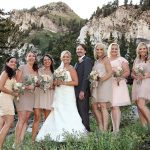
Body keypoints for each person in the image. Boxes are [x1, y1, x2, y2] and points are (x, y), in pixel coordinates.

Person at [36, 50, 86, 142]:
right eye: (64, 56)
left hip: (68, 94)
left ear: (70, 59)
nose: (65, 58)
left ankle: (72, 134)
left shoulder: (71, 69)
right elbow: (54, 82)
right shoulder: (58, 69)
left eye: (67, 57)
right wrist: (55, 83)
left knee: (69, 111)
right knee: (57, 111)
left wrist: (63, 82)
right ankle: (55, 134)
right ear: (61, 58)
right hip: (58, 94)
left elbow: (76, 82)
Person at [14, 51, 38, 148]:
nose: (31, 57)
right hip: (22, 95)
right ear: (26, 58)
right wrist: (28, 87)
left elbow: (36, 84)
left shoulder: (36, 70)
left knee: (26, 119)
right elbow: (17, 82)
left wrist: (35, 85)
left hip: (31, 96)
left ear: (35, 58)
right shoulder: (21, 68)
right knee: (21, 119)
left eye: (33, 56)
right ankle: (16, 143)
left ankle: (21, 141)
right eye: (29, 56)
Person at [107, 43, 131, 132]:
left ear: (118, 50)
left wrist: (120, 77)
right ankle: (114, 129)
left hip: (118, 84)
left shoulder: (122, 60)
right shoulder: (106, 60)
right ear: (109, 49)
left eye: (116, 49)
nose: (114, 50)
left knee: (116, 106)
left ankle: (116, 130)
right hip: (109, 84)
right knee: (112, 107)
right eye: (112, 48)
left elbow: (127, 72)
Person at [32, 54, 54, 142]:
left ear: (51, 61)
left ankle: (44, 139)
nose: (47, 61)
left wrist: (53, 86)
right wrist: (40, 83)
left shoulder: (54, 72)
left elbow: (56, 84)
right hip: (39, 94)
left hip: (49, 95)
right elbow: (35, 82)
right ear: (43, 62)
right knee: (37, 117)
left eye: (48, 59)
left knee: (47, 118)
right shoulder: (39, 70)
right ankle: (33, 140)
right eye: (45, 60)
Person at [91, 43, 112, 131]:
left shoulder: (106, 59)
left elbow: (110, 72)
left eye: (101, 49)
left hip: (104, 84)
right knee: (95, 107)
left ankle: (105, 129)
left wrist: (101, 79)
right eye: (97, 49)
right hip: (96, 85)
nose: (99, 51)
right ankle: (100, 126)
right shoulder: (97, 61)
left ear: (104, 50)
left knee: (103, 106)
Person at [0, 57, 18, 149]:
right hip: (5, 99)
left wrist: (17, 91)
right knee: (8, 123)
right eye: (11, 61)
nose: (14, 63)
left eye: (15, 62)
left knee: (5, 124)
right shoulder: (6, 72)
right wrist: (13, 93)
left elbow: (10, 87)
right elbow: (1, 87)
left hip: (9, 99)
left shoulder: (11, 74)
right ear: (7, 63)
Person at [75, 44, 93, 132]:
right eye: (77, 49)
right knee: (79, 111)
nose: (79, 50)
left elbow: (87, 76)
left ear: (85, 51)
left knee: (84, 111)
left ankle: (87, 130)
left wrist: (82, 90)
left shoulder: (87, 60)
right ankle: (81, 130)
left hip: (83, 91)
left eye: (81, 49)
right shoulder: (77, 62)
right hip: (76, 91)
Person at [132, 42, 150, 127]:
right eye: (140, 48)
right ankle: (144, 127)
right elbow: (132, 73)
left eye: (144, 48)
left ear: (147, 49)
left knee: (141, 104)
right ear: (138, 51)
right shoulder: (136, 60)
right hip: (137, 83)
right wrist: (135, 76)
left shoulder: (149, 58)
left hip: (146, 82)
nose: (142, 50)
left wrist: (143, 76)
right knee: (138, 105)